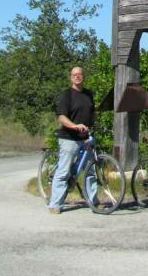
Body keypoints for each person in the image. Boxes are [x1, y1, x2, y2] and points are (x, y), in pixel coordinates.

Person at [47, 65, 95, 214]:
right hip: (69, 138)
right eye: (74, 75)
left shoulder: (88, 94)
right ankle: (55, 204)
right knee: (64, 171)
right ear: (70, 77)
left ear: (83, 76)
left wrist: (93, 125)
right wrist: (74, 126)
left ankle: (93, 201)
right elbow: (62, 117)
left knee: (90, 171)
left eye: (80, 74)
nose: (77, 76)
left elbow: (92, 113)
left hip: (86, 138)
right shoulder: (67, 95)